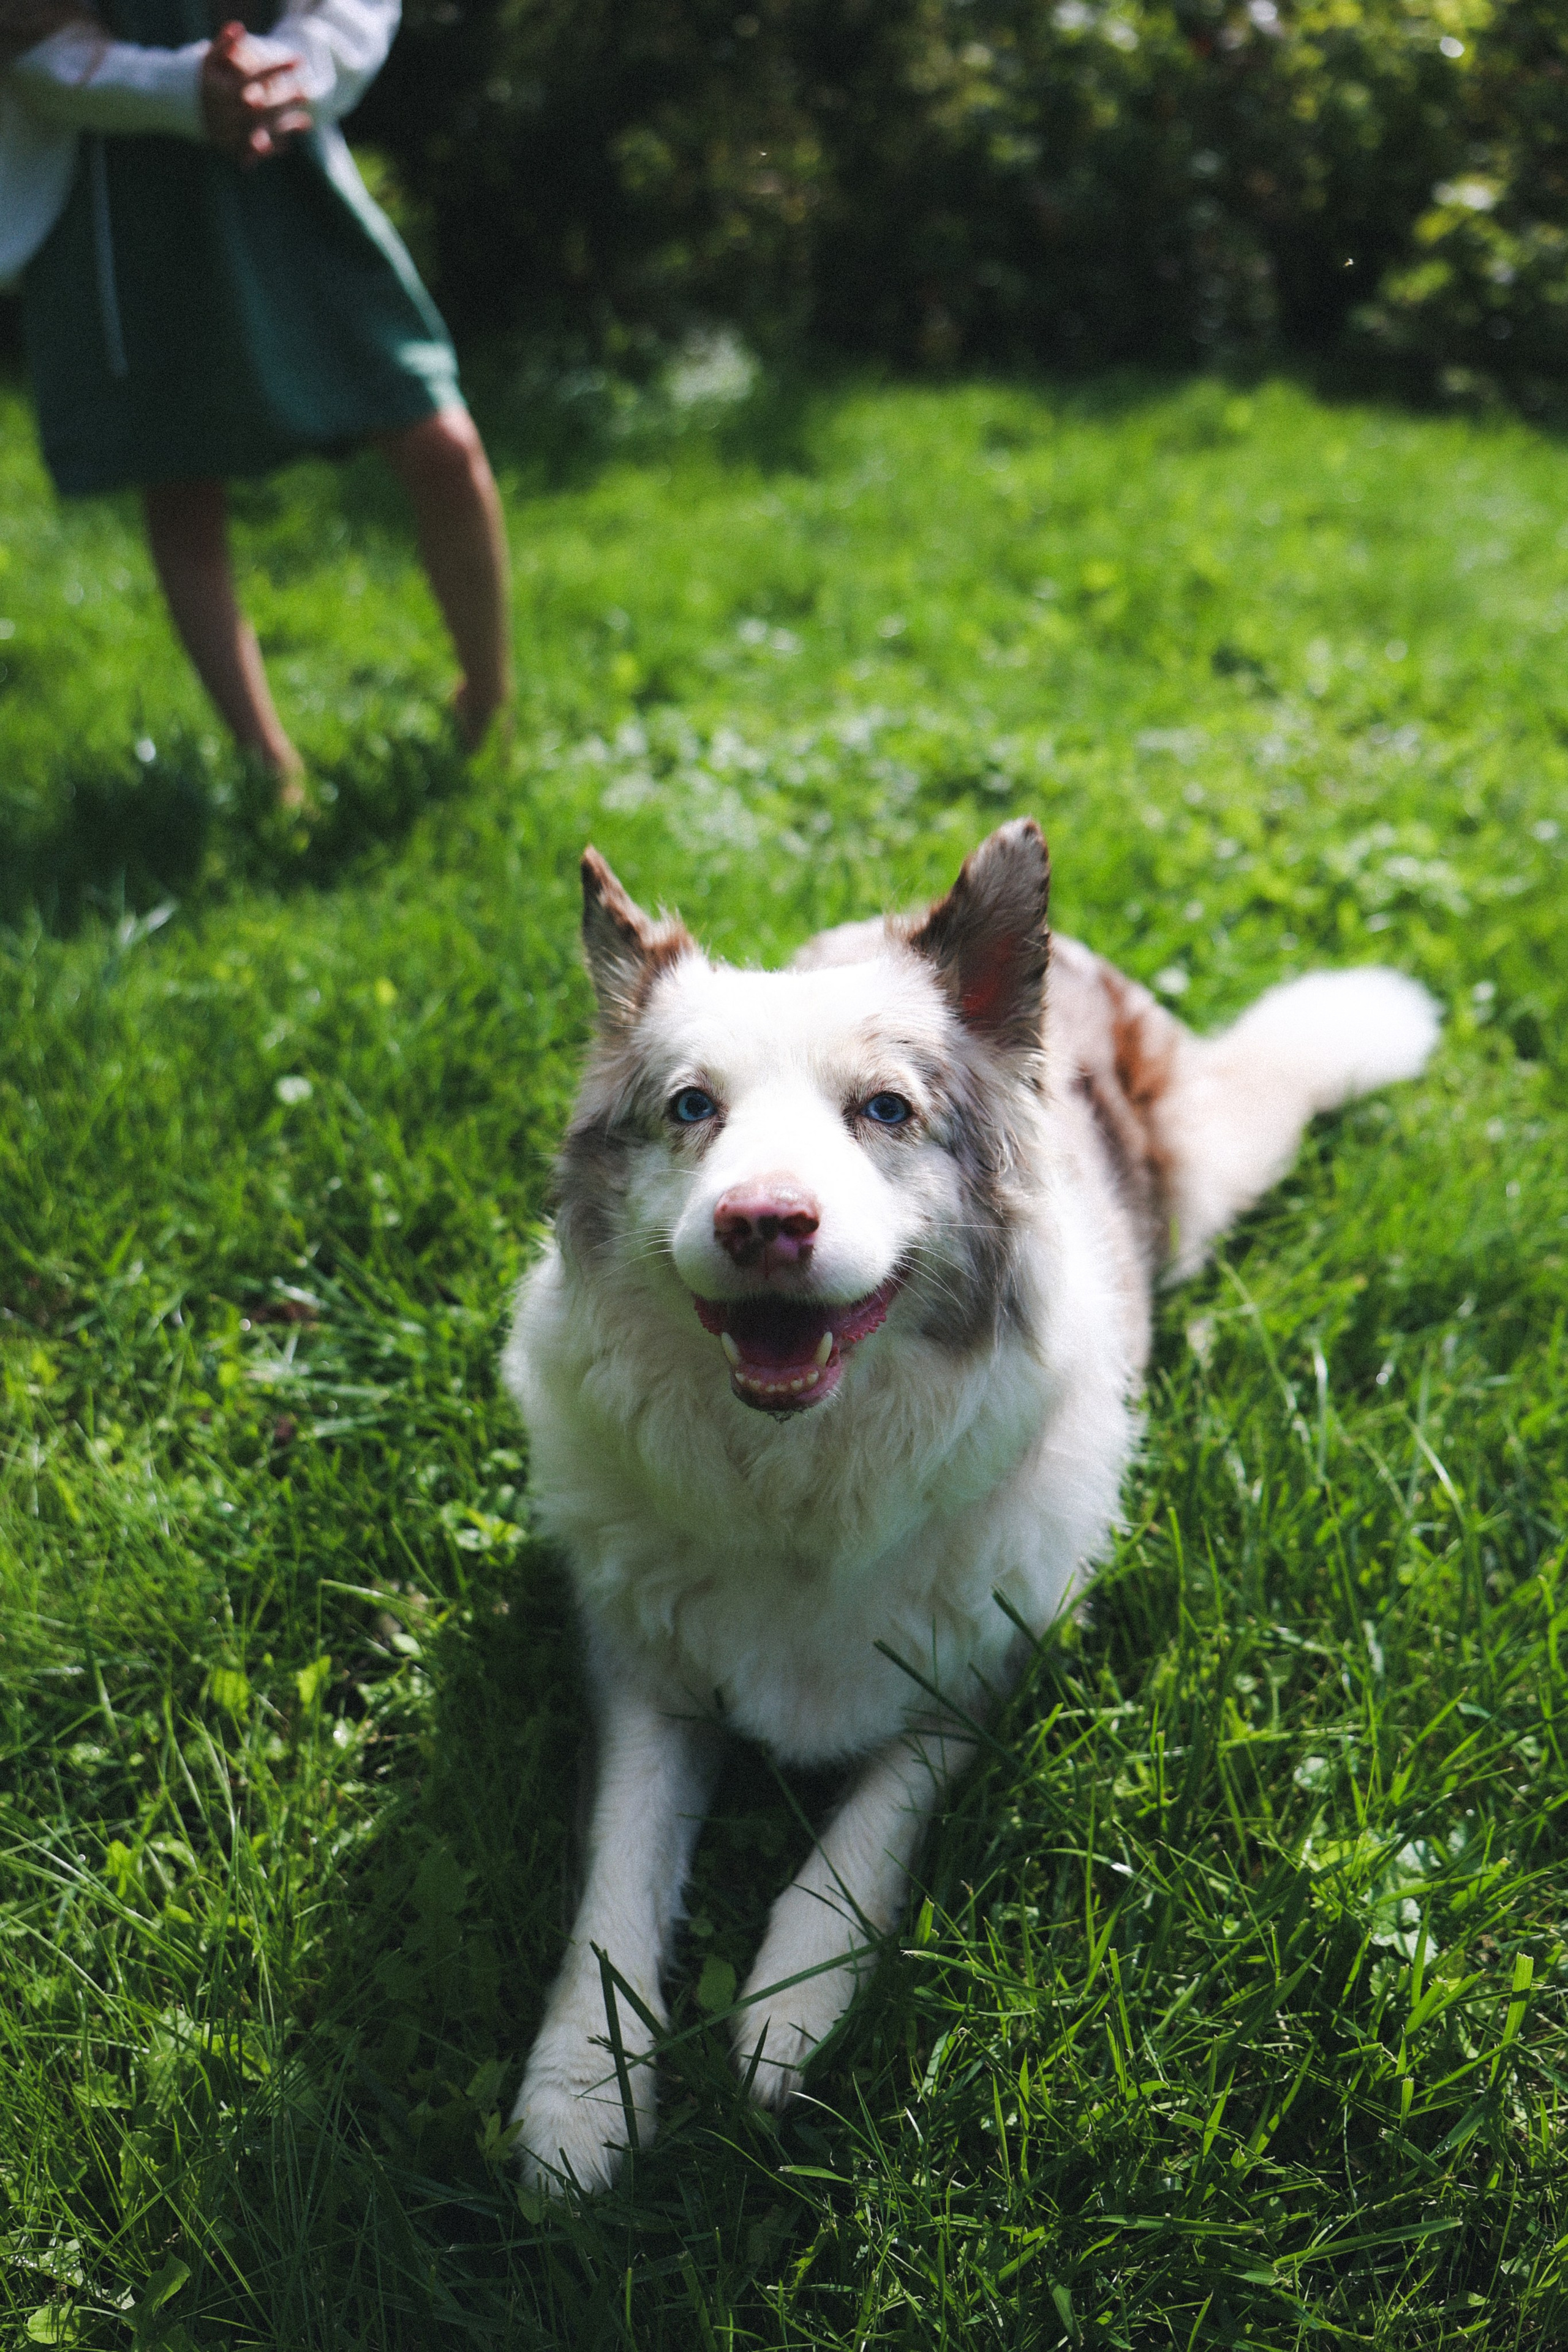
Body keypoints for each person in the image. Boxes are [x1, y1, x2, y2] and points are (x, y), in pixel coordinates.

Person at [0, 0, 511, 804]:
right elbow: (25, 42)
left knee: (440, 441)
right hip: (122, 184)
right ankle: (270, 771)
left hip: (284, 156)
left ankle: (486, 711)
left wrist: (280, 76)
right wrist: (177, 89)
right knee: (180, 476)